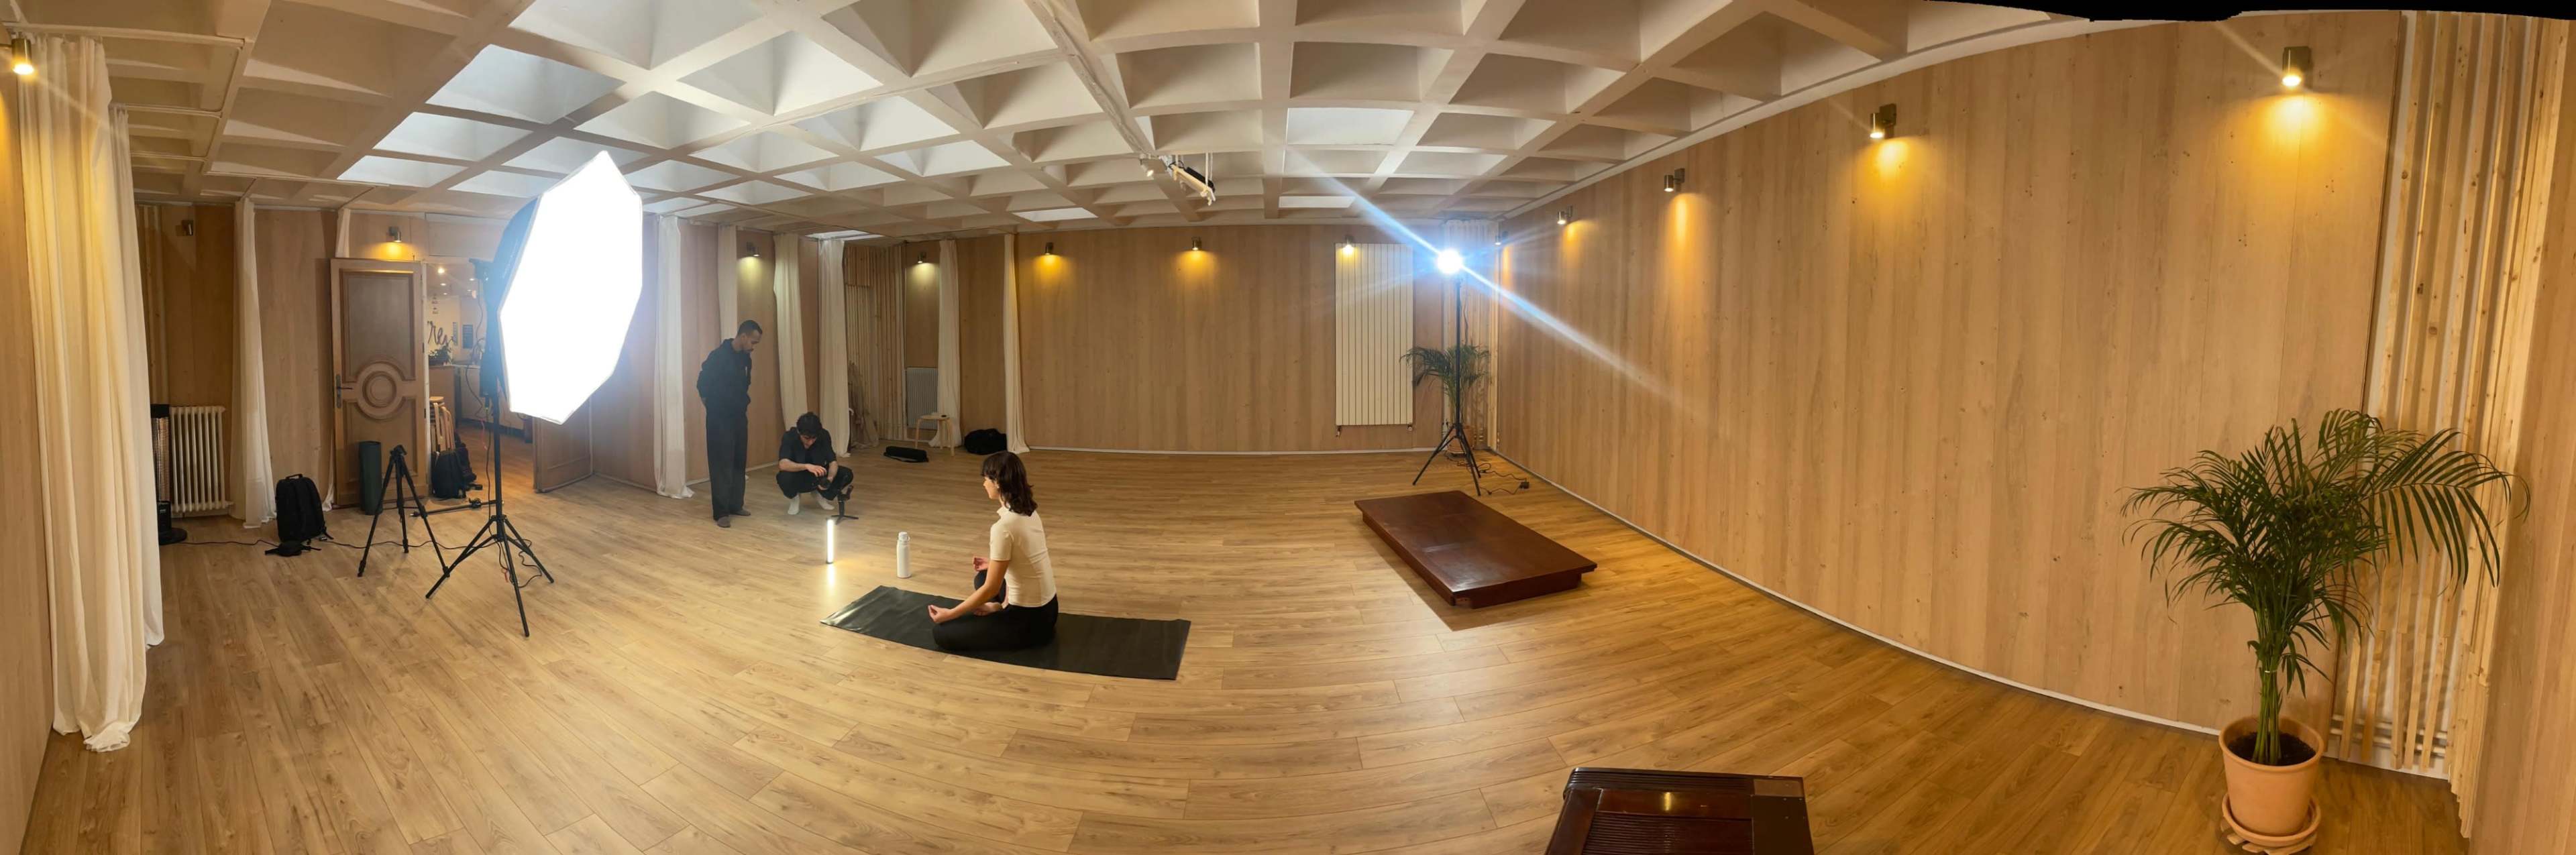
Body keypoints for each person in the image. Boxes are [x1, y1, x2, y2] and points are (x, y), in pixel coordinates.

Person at [927, 451, 1058, 652]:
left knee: (942, 634)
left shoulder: (1003, 527)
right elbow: (1027, 559)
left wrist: (951, 613)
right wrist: (994, 567)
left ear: (997, 482)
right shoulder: (1029, 512)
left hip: (1031, 621)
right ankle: (1001, 607)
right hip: (1049, 609)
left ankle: (1003, 610)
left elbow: (991, 590)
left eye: (986, 479)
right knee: (983, 576)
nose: (984, 484)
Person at [695, 320, 761, 528]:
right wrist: (713, 408)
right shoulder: (718, 357)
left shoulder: (746, 359)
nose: (753, 346)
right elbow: (702, 385)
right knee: (721, 463)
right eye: (753, 342)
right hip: (719, 418)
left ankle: (735, 505)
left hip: (739, 416)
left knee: (738, 460)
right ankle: (721, 512)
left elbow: (745, 386)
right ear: (743, 337)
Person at [776, 412, 853, 514]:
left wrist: (830, 479)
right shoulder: (789, 437)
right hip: (797, 474)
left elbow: (833, 462)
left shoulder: (824, 435)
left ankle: (819, 493)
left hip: (818, 474)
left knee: (846, 474)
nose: (810, 442)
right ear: (799, 432)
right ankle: (794, 498)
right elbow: (783, 464)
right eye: (807, 438)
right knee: (784, 477)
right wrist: (806, 466)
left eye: (814, 438)